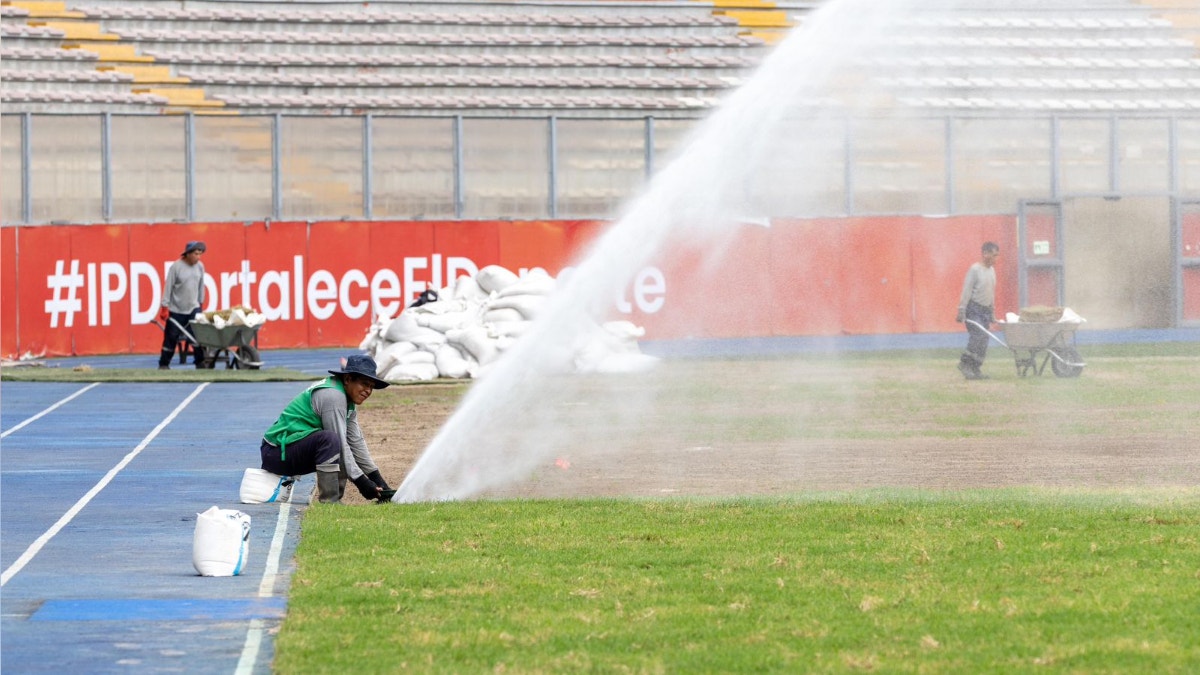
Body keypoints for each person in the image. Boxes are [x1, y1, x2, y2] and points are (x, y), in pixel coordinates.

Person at [259, 354, 392, 504]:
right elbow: (341, 444)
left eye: (371, 387)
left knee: (336, 443)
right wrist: (362, 482)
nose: (368, 391)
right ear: (348, 379)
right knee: (331, 441)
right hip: (275, 453)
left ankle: (335, 499)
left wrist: (379, 481)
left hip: (288, 450)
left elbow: (356, 442)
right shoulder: (333, 396)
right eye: (364, 384)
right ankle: (330, 501)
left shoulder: (347, 400)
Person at [158, 240, 207, 369]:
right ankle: (164, 364)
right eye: (196, 254)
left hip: (193, 308)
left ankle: (200, 362)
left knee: (197, 337)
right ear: (188, 253)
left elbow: (201, 286)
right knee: (171, 338)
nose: (198, 257)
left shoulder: (200, 267)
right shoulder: (176, 267)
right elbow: (168, 287)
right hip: (177, 309)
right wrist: (164, 306)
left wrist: (200, 303)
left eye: (200, 254)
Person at [955, 241, 1000, 380]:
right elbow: (967, 290)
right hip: (974, 309)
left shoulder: (992, 271)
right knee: (978, 335)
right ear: (985, 254)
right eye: (993, 255)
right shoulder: (975, 269)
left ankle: (975, 368)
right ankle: (965, 364)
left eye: (997, 255)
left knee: (984, 339)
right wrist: (961, 310)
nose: (996, 258)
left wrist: (992, 312)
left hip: (985, 311)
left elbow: (991, 293)